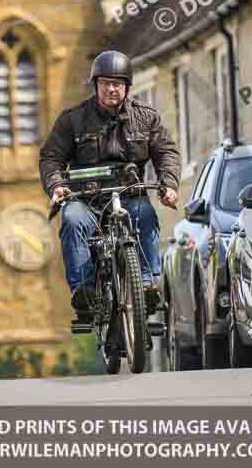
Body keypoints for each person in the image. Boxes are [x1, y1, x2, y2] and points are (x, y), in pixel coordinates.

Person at [39, 50, 181, 315]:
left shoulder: (146, 117)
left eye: (117, 84)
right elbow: (51, 157)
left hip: (129, 194)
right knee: (72, 221)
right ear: (96, 85)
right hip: (86, 198)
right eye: (105, 83)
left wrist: (169, 184)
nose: (111, 89)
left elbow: (166, 152)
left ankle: (149, 285)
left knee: (146, 215)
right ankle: (85, 292)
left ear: (127, 87)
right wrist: (56, 185)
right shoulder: (72, 120)